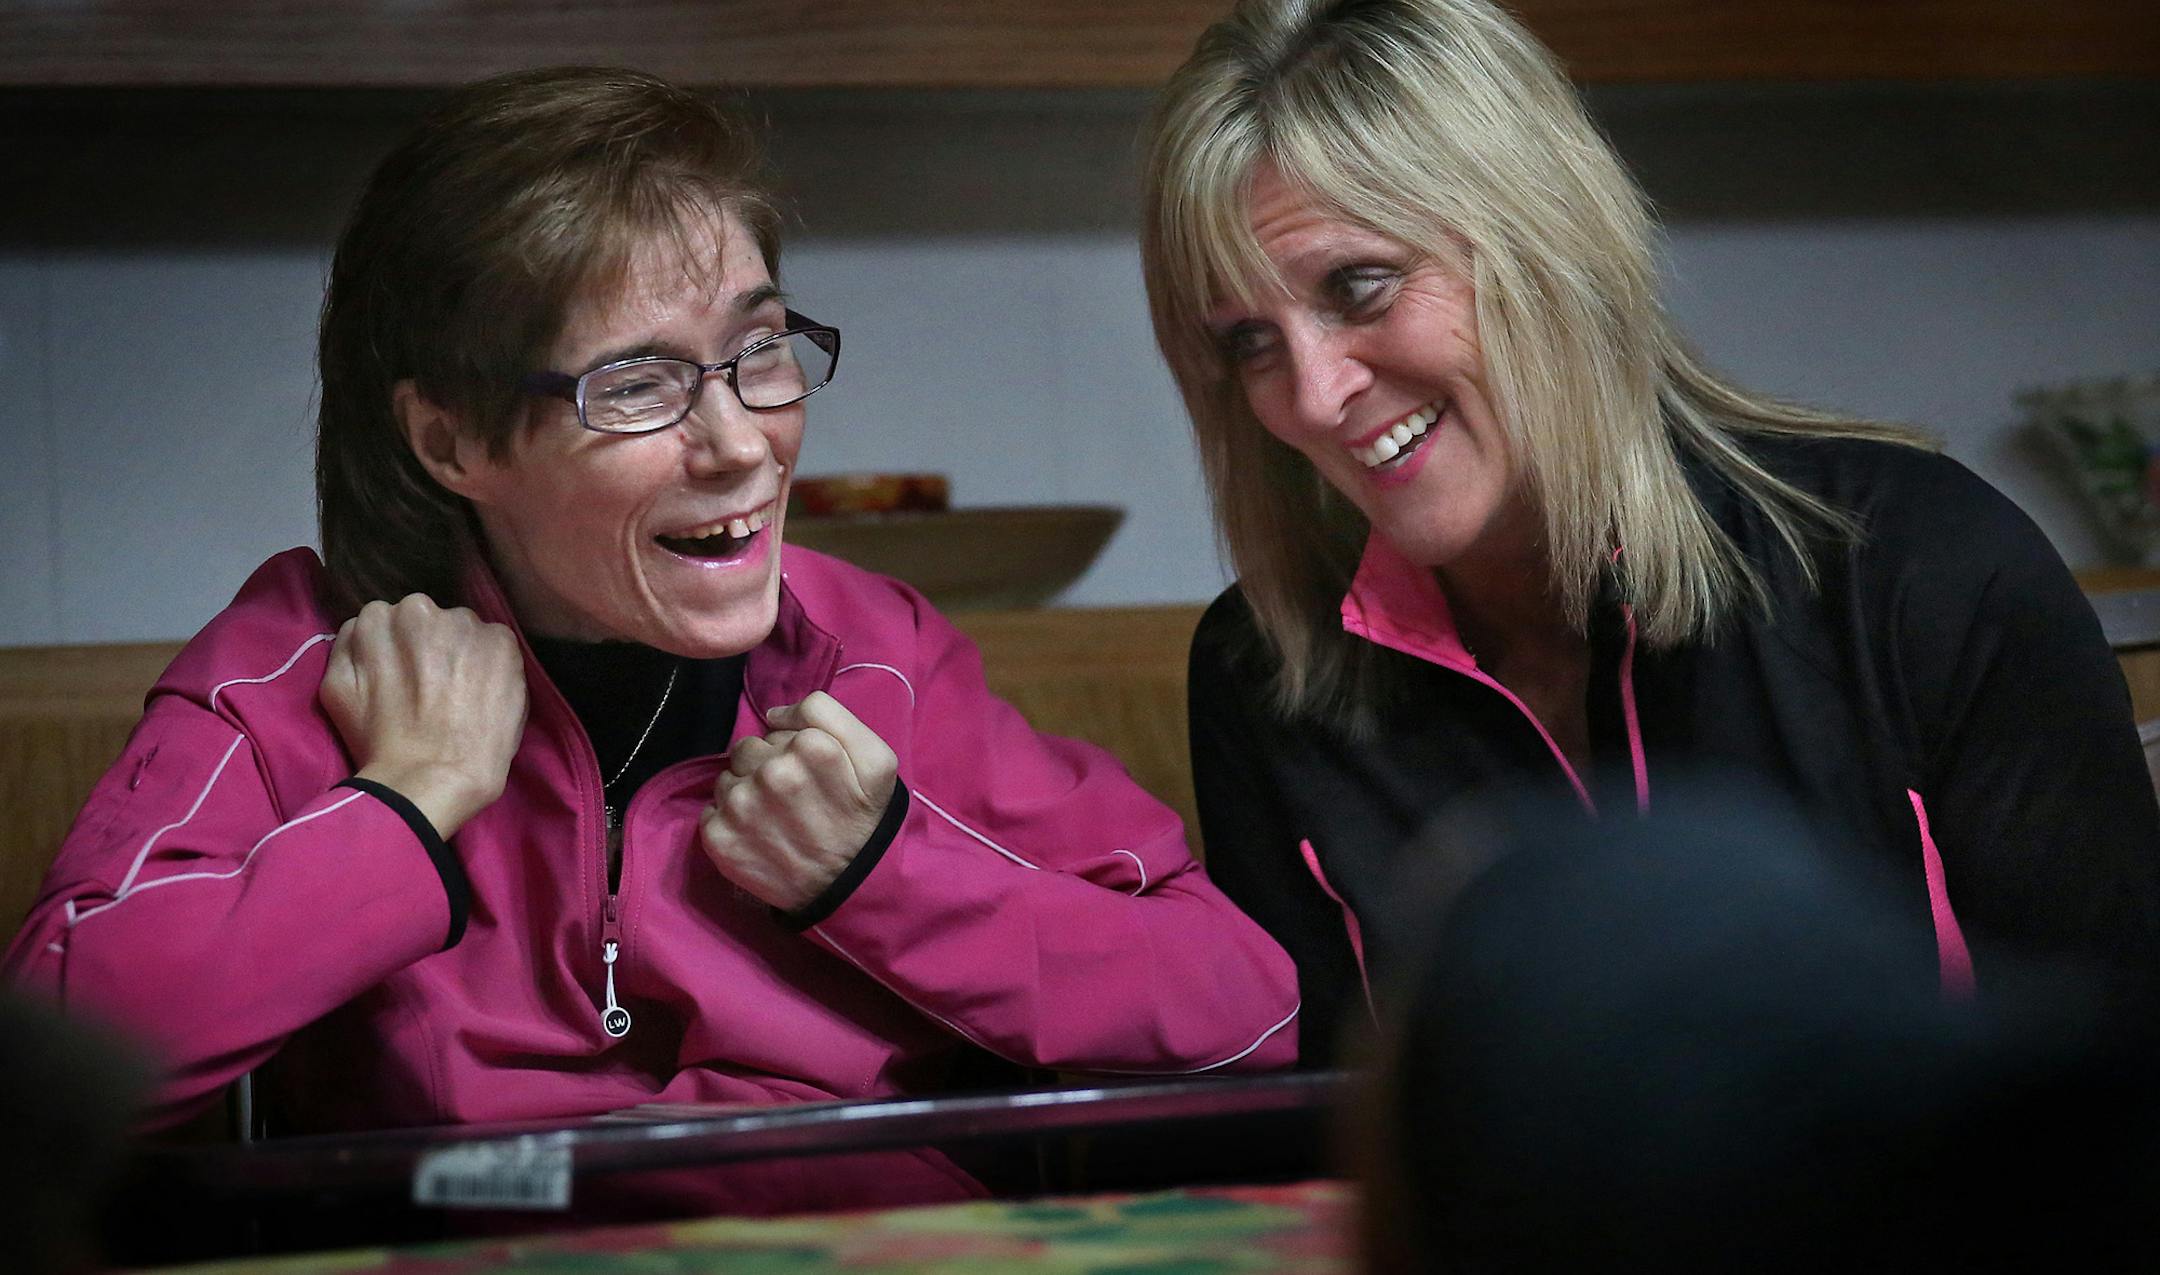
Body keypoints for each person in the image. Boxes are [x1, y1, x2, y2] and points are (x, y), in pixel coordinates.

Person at [3, 66, 1298, 1213]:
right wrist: (402, 806)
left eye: (758, 352)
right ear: (450, 437)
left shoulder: (870, 651)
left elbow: (1247, 1008)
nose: (739, 441)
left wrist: (885, 874)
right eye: (635, 384)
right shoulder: (298, 660)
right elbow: (56, 1057)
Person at [1140, 0, 2160, 1065]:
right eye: (1251, 340)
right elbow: (1315, 1155)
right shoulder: (1263, 668)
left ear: (1544, 238)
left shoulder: (1923, 566)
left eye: (1360, 286)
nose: (1310, 395)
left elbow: (2117, 1097)